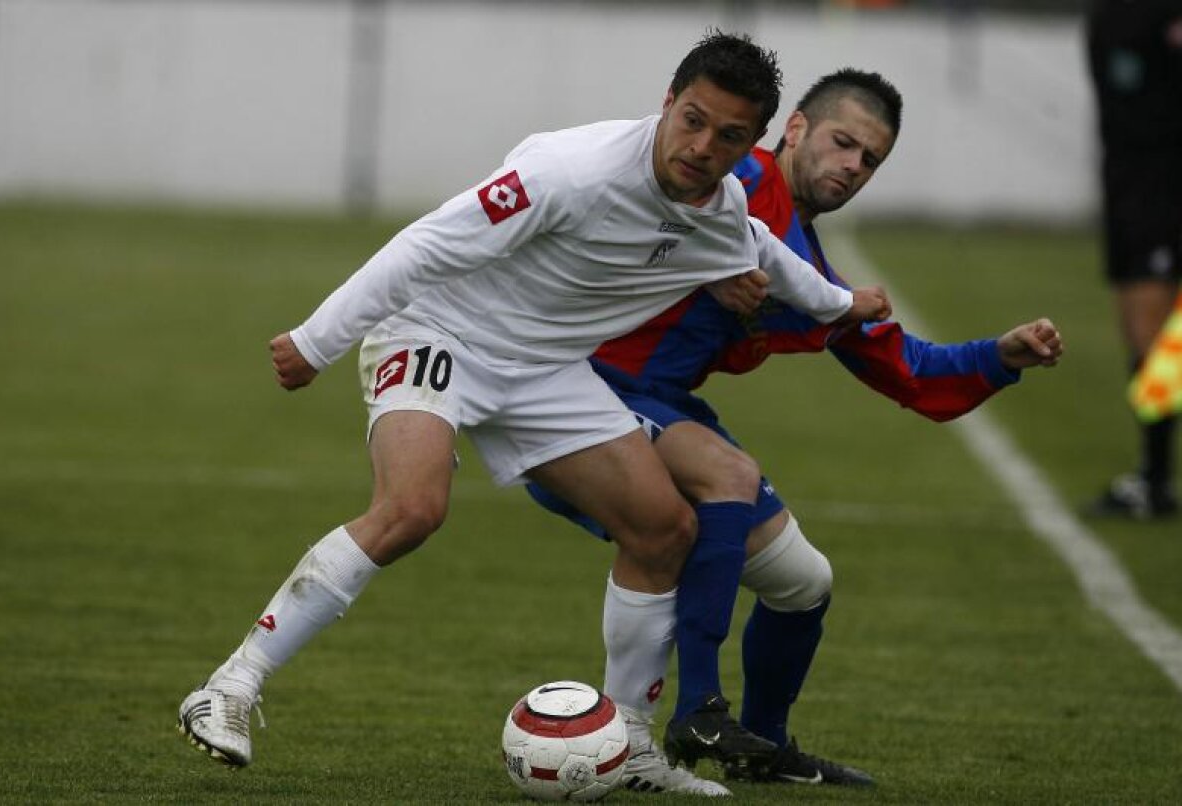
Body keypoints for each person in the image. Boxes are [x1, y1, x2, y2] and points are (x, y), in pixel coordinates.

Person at [176, 32, 893, 774]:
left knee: (663, 527)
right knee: (414, 508)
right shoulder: (568, 171)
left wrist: (842, 303)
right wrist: (318, 339)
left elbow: (767, 255)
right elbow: (424, 247)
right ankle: (230, 685)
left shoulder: (720, 209)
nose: (703, 146)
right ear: (667, 103)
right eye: (693, 119)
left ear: (755, 142)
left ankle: (633, 748)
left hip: (545, 373)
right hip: (440, 332)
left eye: (730, 136)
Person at [529, 68, 1064, 795]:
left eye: (871, 160)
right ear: (796, 129)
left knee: (803, 582)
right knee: (717, 488)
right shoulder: (728, 175)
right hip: (580, 388)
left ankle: (762, 747)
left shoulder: (810, 268)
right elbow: (633, 198)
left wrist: (1000, 357)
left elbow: (908, 368)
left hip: (658, 402)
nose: (853, 166)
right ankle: (691, 711)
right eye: (844, 142)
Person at [1084, 0, 1182, 519]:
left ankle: (1156, 478)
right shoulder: (1109, 13)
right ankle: (1154, 475)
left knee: (1157, 340)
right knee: (1139, 336)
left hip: (1163, 187)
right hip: (1126, 184)